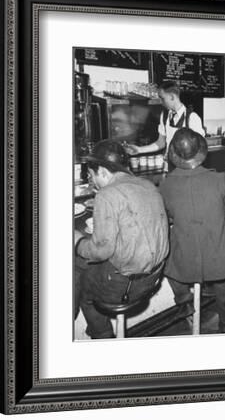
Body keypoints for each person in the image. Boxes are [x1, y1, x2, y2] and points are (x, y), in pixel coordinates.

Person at [73, 140, 169, 339]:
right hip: (155, 276)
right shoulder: (148, 184)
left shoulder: (107, 195)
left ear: (104, 172)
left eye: (92, 176)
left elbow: (101, 251)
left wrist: (78, 242)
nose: (93, 183)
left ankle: (103, 338)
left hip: (128, 286)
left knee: (81, 282)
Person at [159, 128, 225, 333]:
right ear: (201, 151)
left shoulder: (165, 186)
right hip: (218, 257)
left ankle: (184, 300)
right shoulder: (220, 180)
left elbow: (162, 222)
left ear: (174, 153)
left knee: (166, 260)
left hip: (185, 260)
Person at [123, 81, 205, 157]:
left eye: (162, 98)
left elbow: (200, 147)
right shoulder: (165, 115)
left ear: (172, 97)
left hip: (186, 167)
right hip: (168, 164)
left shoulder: (192, 118)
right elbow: (161, 143)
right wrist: (139, 149)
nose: (161, 102)